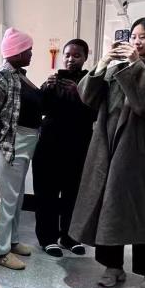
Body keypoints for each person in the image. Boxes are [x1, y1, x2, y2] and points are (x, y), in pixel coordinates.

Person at [69, 17, 145, 288]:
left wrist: (134, 65)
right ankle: (112, 266)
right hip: (107, 146)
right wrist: (102, 63)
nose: (136, 42)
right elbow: (87, 97)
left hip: (141, 149)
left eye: (143, 37)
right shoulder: (116, 67)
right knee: (109, 204)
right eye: (133, 36)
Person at [0, 28, 41, 271]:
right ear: (17, 52)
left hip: (20, 147)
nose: (31, 54)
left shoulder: (18, 75)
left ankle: (11, 241)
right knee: (2, 200)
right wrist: (2, 143)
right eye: (28, 50)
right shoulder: (0, 76)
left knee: (15, 197)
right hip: (6, 148)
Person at [33, 38, 96, 257]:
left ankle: (69, 237)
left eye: (76, 55)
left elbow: (96, 113)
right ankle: (47, 238)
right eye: (67, 55)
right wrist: (45, 89)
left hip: (78, 145)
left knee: (73, 193)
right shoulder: (54, 80)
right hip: (50, 145)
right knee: (46, 192)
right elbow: (41, 109)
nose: (70, 59)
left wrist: (80, 93)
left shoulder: (92, 82)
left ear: (85, 57)